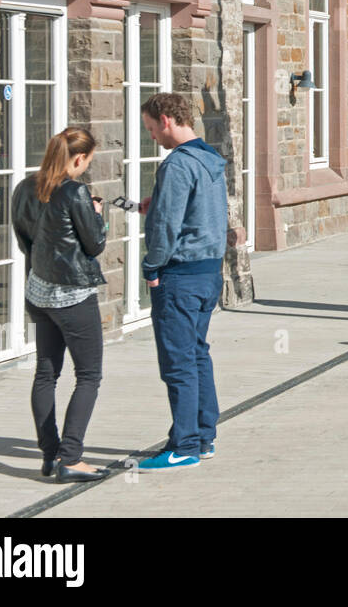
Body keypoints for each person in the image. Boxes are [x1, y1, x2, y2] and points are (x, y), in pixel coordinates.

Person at [11, 127, 109, 484]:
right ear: (79, 158)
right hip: (73, 296)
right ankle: (71, 457)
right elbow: (95, 243)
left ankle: (50, 455)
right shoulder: (74, 191)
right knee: (89, 375)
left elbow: (25, 240)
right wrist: (98, 213)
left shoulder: (25, 187)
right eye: (87, 161)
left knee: (46, 373)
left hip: (38, 292)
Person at [136, 92, 228, 472]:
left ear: (166, 120)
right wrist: (155, 203)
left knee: (178, 363)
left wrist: (151, 268)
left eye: (151, 128)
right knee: (196, 354)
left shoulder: (176, 165)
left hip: (180, 277)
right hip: (209, 272)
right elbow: (195, 212)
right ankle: (203, 436)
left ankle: (185, 445)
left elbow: (167, 226)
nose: (152, 136)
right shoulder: (210, 158)